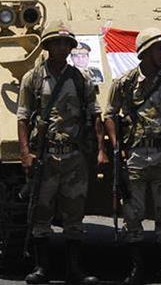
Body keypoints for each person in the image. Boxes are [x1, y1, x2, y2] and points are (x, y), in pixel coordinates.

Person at [100, 27, 161, 285]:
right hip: (134, 155)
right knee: (133, 214)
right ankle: (137, 268)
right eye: (159, 49)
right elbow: (109, 114)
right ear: (144, 52)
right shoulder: (125, 83)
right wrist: (115, 147)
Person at [17, 20, 100, 285]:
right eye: (57, 43)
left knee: (74, 215)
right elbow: (23, 117)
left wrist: (99, 148)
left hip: (74, 155)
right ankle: (42, 268)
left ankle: (74, 269)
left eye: (66, 43)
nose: (62, 47)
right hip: (46, 155)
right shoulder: (33, 78)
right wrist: (25, 152)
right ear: (48, 46)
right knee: (41, 213)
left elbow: (95, 113)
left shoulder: (81, 78)